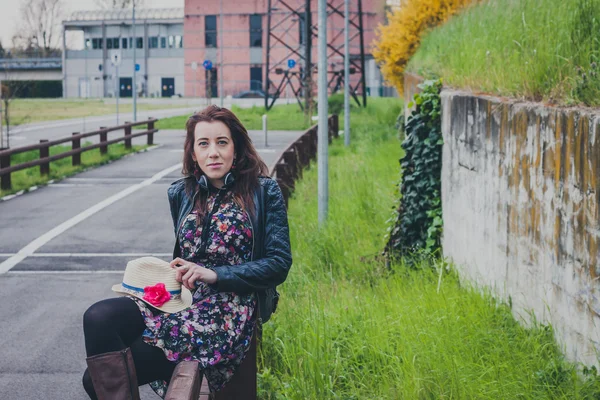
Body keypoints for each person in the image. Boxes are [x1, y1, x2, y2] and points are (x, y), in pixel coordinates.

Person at [82, 105, 293, 399]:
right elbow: (186, 250)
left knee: (94, 381)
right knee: (98, 316)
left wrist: (216, 274)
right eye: (203, 144)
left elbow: (279, 264)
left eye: (222, 142)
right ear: (193, 153)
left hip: (227, 313)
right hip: (182, 301)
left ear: (237, 148)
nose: (213, 152)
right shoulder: (181, 192)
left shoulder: (262, 191)